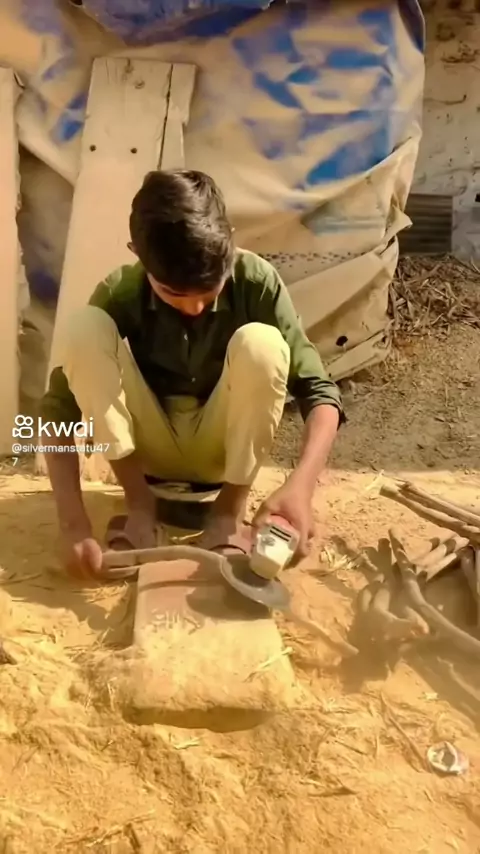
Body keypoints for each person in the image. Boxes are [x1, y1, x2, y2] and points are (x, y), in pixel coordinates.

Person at [41, 169, 344, 577]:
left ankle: (227, 515)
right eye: (173, 293)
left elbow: (319, 392)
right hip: (148, 456)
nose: (194, 308)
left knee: (263, 344)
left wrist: (301, 486)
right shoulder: (121, 292)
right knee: (84, 330)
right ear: (137, 254)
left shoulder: (256, 282)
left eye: (209, 290)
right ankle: (140, 509)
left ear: (229, 242)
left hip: (221, 456)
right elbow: (55, 413)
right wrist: (73, 525)